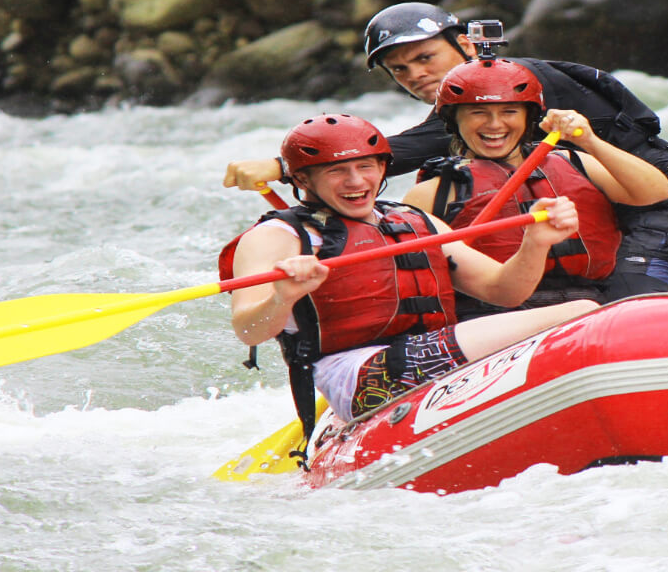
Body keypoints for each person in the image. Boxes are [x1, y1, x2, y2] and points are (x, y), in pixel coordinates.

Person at [224, 2, 668, 299]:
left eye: (426, 57)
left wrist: (286, 165)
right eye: (399, 70)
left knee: (620, 305)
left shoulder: (512, 80)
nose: (415, 75)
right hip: (607, 208)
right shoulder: (460, 120)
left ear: (467, 47)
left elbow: (413, 145)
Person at [222, 114, 598, 457]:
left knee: (581, 314)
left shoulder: (414, 221)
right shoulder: (277, 236)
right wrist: (282, 296)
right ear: (302, 180)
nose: (356, 182)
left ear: (383, 167)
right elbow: (248, 329)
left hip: (427, 354)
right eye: (337, 171)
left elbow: (505, 292)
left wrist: (535, 242)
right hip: (357, 376)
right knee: (583, 313)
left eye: (366, 167)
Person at [400, 53, 668, 315]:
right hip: (493, 315)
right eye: (478, 112)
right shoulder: (431, 194)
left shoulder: (574, 161)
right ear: (453, 121)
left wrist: (590, 141)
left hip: (591, 301)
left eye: (509, 111)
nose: (495, 124)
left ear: (529, 117)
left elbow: (656, 193)